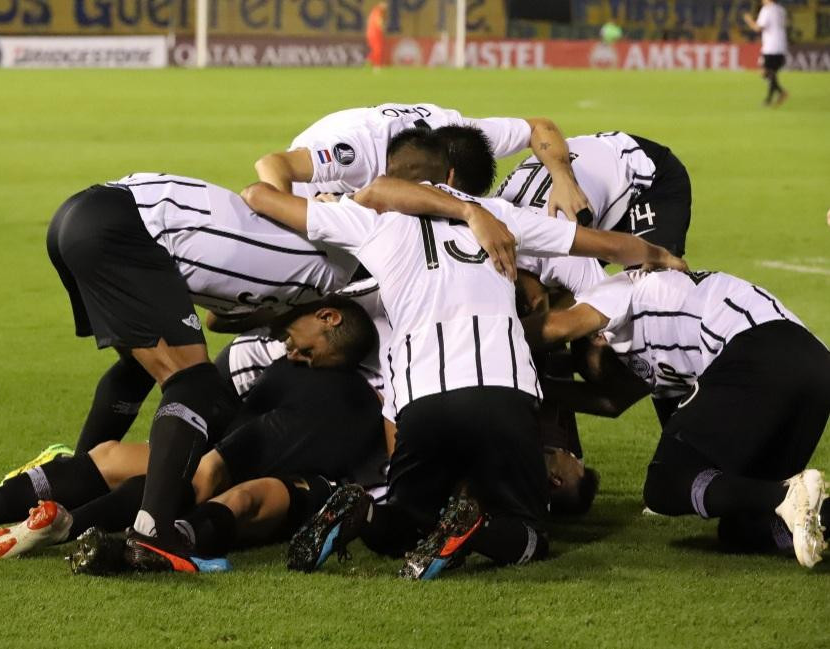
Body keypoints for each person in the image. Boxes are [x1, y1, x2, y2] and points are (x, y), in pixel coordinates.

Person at [238, 164, 686, 579]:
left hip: (420, 396)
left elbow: (258, 194)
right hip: (501, 388)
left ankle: (363, 510)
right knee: (529, 534)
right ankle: (478, 528)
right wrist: (661, 256)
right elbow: (605, 244)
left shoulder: (375, 222)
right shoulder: (500, 216)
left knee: (406, 523)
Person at [0, 297, 383, 569]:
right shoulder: (289, 340)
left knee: (199, 481)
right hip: (266, 437)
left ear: (330, 318)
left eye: (303, 351)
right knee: (116, 458)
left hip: (302, 459)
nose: (292, 351)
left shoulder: (350, 378)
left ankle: (63, 523)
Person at [524, 266, 830, 568]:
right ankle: (806, 506)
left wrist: (492, 338)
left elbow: (559, 327)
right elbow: (612, 401)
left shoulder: (610, 297)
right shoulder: (652, 341)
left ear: (599, 337)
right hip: (813, 370)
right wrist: (532, 387)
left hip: (762, 352)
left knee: (664, 483)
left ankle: (787, 494)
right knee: (746, 528)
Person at [254, 102, 594, 223]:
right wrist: (300, 221)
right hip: (310, 208)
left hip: (363, 207)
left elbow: (539, 127)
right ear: (447, 177)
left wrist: (563, 180)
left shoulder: (459, 134)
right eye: (449, 193)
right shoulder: (356, 151)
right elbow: (272, 165)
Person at [496, 131, 691, 257]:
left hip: (644, 172)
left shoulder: (557, 251)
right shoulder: (485, 230)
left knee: (654, 288)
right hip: (591, 170)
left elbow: (598, 308)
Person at [743, 0, 790, 107]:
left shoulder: (767, 10)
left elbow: (757, 28)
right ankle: (769, 100)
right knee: (771, 73)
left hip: (771, 46)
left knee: (766, 73)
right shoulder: (781, 10)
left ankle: (781, 92)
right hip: (781, 45)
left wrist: (749, 20)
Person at [366, 2, 387, 69]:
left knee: (376, 49)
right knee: (377, 49)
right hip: (375, 33)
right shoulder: (378, 11)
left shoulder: (375, 11)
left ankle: (369, 61)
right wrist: (382, 27)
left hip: (372, 33)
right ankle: (376, 65)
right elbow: (378, 22)